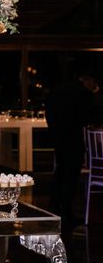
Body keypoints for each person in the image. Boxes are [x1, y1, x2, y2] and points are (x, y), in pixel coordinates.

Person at [46, 74, 100, 226]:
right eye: (94, 83)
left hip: (57, 136)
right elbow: (86, 116)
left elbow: (49, 111)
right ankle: (66, 210)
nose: (95, 87)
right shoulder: (82, 93)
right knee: (71, 173)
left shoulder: (60, 89)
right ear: (87, 80)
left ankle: (54, 205)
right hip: (72, 139)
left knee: (61, 170)